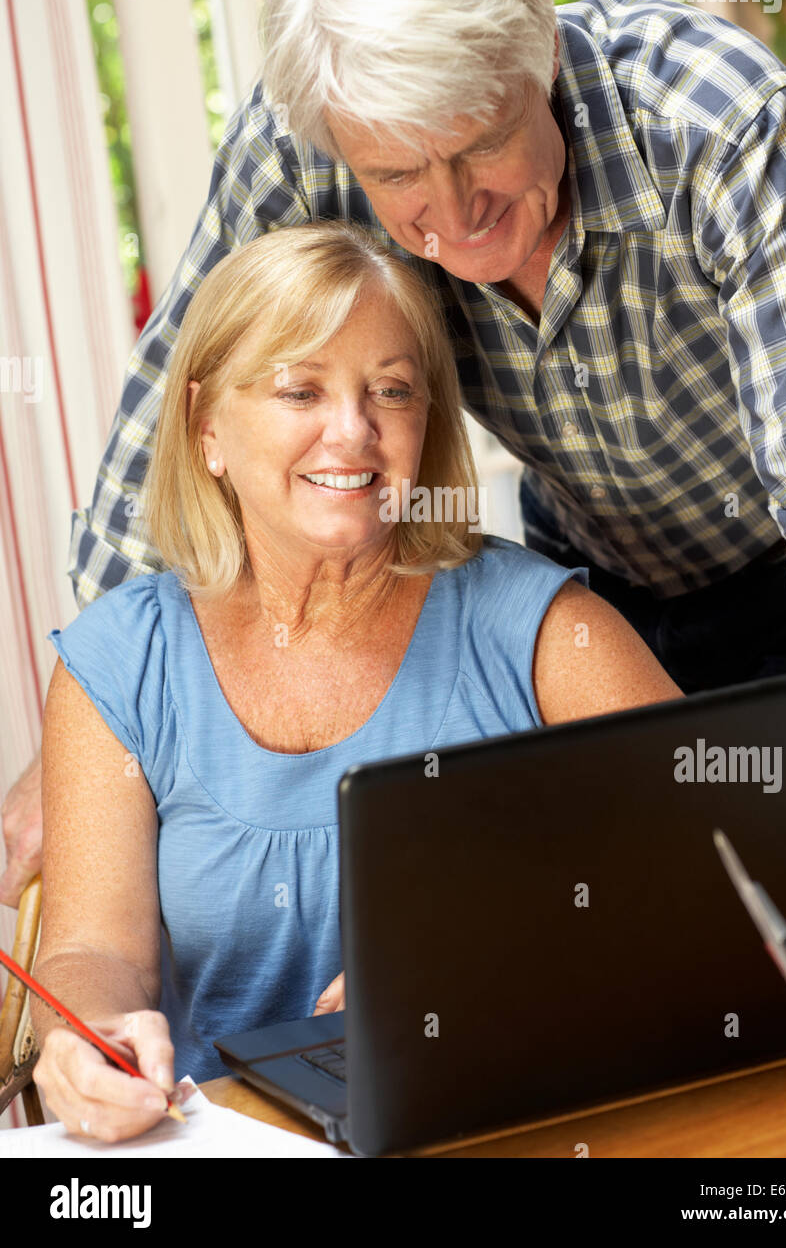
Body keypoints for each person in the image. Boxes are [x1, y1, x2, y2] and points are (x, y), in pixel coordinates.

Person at [5, 0, 786, 899]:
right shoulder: (305, 137)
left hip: (782, 577)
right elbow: (179, 393)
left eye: (480, 145)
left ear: (539, 50)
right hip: (595, 585)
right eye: (398, 177)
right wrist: (85, 733)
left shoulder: (716, 124)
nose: (455, 218)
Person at [30, 222, 680, 1142]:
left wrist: (511, 951)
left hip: (512, 1124)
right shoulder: (118, 663)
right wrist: (86, 1038)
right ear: (205, 423)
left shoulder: (545, 634)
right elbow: (95, 951)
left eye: (391, 391)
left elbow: (717, 875)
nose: (354, 431)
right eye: (302, 388)